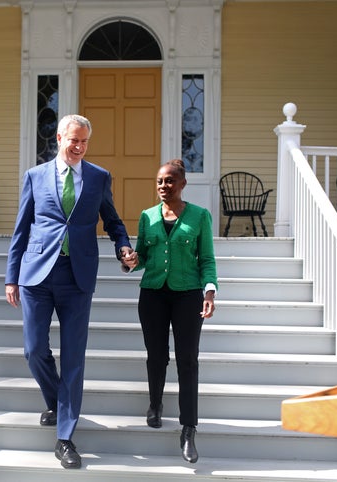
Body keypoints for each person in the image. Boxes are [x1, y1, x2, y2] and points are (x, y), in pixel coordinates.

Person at [5, 114, 133, 469]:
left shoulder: (98, 177)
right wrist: (11, 276)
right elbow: (21, 229)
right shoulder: (35, 176)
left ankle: (64, 438)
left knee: (74, 358)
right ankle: (55, 398)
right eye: (73, 140)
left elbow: (114, 221)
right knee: (34, 350)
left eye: (84, 142)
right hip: (36, 275)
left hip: (77, 278)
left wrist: (123, 247)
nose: (78, 147)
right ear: (59, 138)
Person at [128, 159, 217, 464]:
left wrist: (209, 291)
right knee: (156, 355)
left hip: (188, 295)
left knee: (188, 360)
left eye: (169, 181)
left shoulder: (200, 216)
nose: (163, 186)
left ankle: (188, 428)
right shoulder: (147, 216)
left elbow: (206, 258)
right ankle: (155, 405)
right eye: (159, 182)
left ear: (182, 184)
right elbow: (141, 255)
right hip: (152, 293)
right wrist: (130, 259)